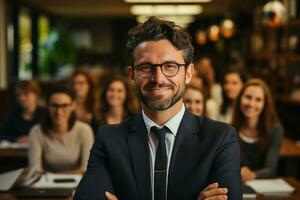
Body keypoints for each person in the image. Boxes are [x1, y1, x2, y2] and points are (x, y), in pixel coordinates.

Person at [74, 17, 241, 200]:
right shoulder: (109, 139)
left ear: (188, 74)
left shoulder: (219, 138)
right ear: (132, 75)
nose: (158, 78)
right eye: (146, 67)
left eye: (170, 66)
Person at [28, 86, 94, 173]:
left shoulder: (85, 130)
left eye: (64, 105)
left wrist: (57, 175)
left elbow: (87, 169)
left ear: (73, 105)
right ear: (47, 106)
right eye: (54, 106)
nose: (59, 112)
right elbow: (35, 170)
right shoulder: (36, 132)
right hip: (46, 185)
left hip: (79, 185)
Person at [231, 79, 284, 183]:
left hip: (264, 188)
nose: (251, 103)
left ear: (265, 104)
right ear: (240, 99)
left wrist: (253, 174)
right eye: (248, 97)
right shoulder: (230, 129)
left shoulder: (276, 130)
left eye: (258, 100)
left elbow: (271, 169)